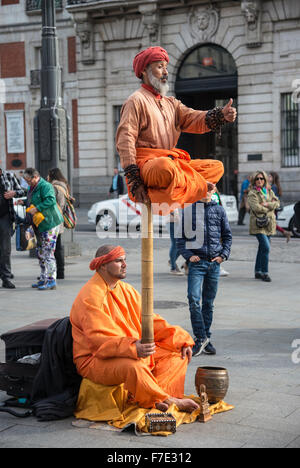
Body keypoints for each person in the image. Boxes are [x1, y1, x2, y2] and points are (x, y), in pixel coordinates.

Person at [70, 244, 199, 413]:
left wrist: (181, 339)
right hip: (95, 359)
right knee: (134, 367)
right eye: (118, 261)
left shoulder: (126, 290)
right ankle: (165, 399)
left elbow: (150, 321)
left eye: (125, 260)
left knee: (177, 356)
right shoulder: (91, 296)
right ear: (102, 265)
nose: (125, 264)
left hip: (131, 349)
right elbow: (99, 342)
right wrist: (133, 348)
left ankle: (156, 397)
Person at [116, 46, 237, 214]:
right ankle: (198, 188)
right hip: (149, 166)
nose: (165, 72)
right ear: (144, 70)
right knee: (165, 167)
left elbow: (194, 118)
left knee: (216, 167)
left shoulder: (171, 103)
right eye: (160, 67)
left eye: (166, 67)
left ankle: (176, 193)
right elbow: (125, 139)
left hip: (172, 164)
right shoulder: (135, 101)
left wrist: (220, 115)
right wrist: (133, 179)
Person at [176, 188, 232, 356]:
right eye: (204, 188)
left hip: (214, 264)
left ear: (214, 191)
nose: (207, 191)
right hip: (197, 264)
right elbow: (180, 239)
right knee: (193, 299)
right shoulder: (189, 210)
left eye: (210, 188)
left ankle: (205, 337)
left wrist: (223, 256)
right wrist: (188, 256)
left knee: (208, 303)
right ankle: (201, 337)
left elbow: (227, 236)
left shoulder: (219, 210)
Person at [23, 168, 64, 290]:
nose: (27, 183)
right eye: (26, 181)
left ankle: (51, 280)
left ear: (35, 177)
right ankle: (43, 278)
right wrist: (23, 201)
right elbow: (32, 199)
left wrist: (37, 208)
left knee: (48, 251)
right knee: (40, 252)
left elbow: (51, 200)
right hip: (39, 223)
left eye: (29, 180)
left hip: (50, 222)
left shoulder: (45, 186)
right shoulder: (32, 187)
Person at [247, 171, 280, 282]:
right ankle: (265, 273)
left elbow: (278, 203)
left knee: (262, 248)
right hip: (258, 224)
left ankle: (258, 271)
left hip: (269, 223)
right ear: (254, 180)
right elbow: (256, 207)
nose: (259, 180)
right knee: (266, 247)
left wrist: (267, 204)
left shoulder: (269, 191)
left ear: (265, 180)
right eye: (257, 179)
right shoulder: (252, 193)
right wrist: (271, 206)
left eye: (261, 178)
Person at [0, 167, 25, 288]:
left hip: (5, 217)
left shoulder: (9, 175)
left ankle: (6, 277)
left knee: (5, 249)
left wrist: (13, 193)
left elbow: (22, 191)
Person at [47, 168, 70, 280]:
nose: (47, 177)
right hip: (60, 218)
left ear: (52, 175)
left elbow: (50, 202)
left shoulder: (54, 186)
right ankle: (61, 272)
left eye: (48, 175)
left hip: (53, 219)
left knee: (53, 247)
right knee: (58, 246)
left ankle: (56, 272)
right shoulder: (64, 185)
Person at [268, 172, 291, 242]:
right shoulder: (275, 186)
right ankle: (268, 239)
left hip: (272, 208)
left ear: (273, 178)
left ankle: (268, 239)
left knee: (269, 223)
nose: (268, 178)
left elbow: (272, 198)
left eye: (270, 176)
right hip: (274, 208)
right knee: (270, 223)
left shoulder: (274, 187)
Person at [166, 209, 183, 276]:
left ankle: (172, 261)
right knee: (176, 244)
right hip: (173, 221)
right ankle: (173, 268)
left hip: (179, 221)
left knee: (183, 244)